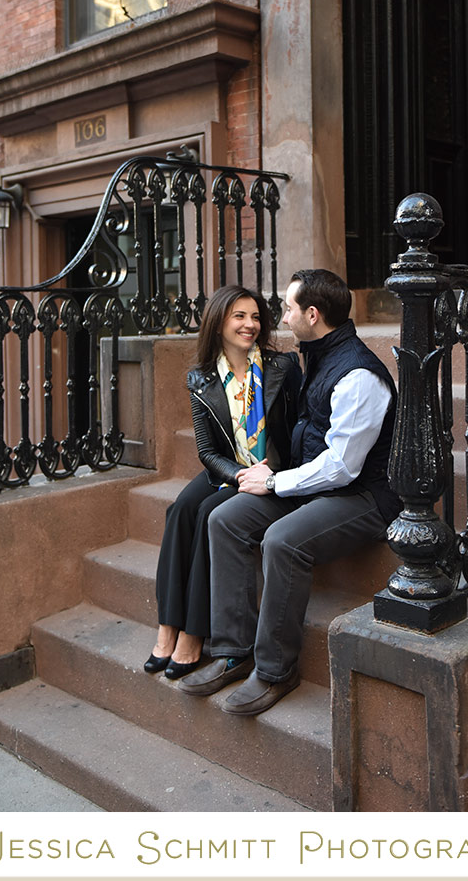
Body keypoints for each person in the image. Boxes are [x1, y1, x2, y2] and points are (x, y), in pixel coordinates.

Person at [177, 268, 398, 715]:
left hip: (362, 498)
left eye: (289, 307)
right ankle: (233, 650)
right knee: (226, 518)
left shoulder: (358, 375)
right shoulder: (315, 354)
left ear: (312, 315)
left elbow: (341, 467)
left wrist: (275, 480)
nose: (280, 315)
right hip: (312, 485)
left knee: (282, 540)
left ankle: (276, 670)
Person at [145, 285, 301, 680]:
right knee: (180, 509)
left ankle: (194, 633)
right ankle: (168, 626)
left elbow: (299, 430)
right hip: (229, 467)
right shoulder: (200, 379)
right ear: (218, 323)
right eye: (239, 316)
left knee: (207, 515)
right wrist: (236, 475)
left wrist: (269, 476)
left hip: (272, 470)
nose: (250, 324)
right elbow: (206, 451)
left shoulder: (282, 367)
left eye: (255, 317)